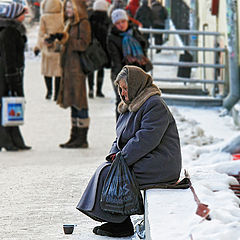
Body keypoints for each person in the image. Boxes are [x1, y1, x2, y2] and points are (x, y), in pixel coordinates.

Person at [76, 65, 182, 237]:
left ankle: (121, 224)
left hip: (160, 163)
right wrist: (114, 155)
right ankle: (116, 221)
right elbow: (120, 138)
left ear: (136, 86)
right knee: (107, 168)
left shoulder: (154, 105)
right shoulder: (130, 105)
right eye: (121, 88)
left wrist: (122, 159)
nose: (123, 93)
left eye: (126, 88)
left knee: (113, 174)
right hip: (144, 158)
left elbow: (146, 139)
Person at [56, 0, 91, 148]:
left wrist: (67, 40)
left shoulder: (83, 23)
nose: (68, 9)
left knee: (80, 102)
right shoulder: (69, 23)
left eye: (71, 6)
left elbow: (84, 44)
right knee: (72, 102)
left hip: (77, 69)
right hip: (69, 69)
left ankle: (82, 137)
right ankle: (74, 135)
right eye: (67, 6)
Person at [107, 8, 150, 120]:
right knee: (122, 102)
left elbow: (145, 46)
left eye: (123, 21)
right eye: (117, 23)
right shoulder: (112, 37)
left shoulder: (134, 32)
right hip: (121, 73)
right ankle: (121, 131)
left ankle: (135, 130)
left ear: (127, 20)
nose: (121, 25)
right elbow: (116, 59)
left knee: (139, 102)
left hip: (138, 73)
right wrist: (121, 79)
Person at [0, 2, 31, 151]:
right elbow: (9, 57)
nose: (24, 16)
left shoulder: (12, 30)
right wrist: (12, 77)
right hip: (7, 75)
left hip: (9, 73)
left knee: (11, 106)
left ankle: (15, 139)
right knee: (8, 105)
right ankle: (7, 140)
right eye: (22, 14)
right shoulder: (9, 32)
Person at [34, 0, 64, 101]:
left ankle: (49, 91)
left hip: (47, 47)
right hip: (59, 47)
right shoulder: (62, 16)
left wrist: (38, 46)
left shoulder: (44, 17)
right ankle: (57, 93)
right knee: (58, 72)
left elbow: (41, 33)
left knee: (47, 71)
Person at [87, 0, 110, 98]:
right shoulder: (106, 20)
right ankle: (99, 90)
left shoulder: (90, 19)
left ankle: (91, 89)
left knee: (90, 69)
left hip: (91, 48)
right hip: (103, 48)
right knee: (101, 69)